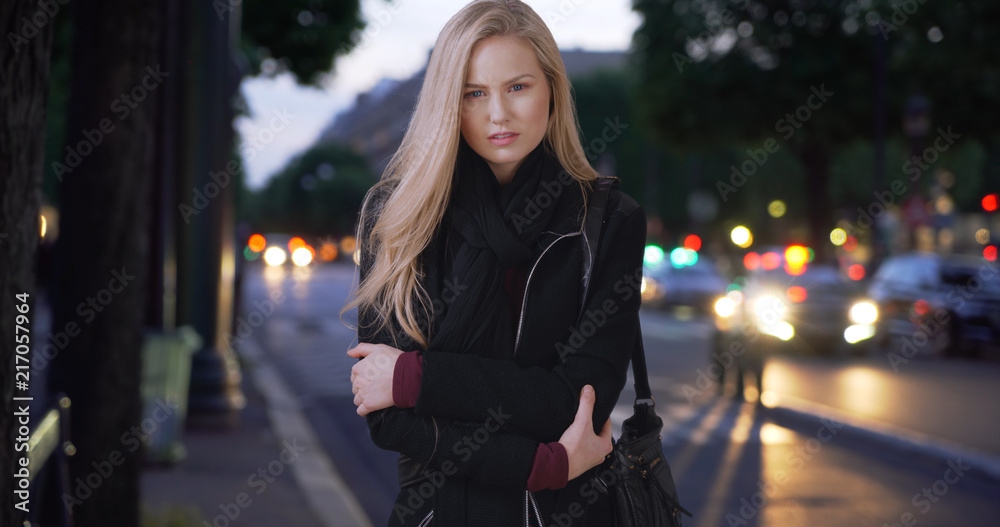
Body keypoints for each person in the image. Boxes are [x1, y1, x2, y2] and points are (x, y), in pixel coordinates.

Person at [342, 1, 647, 525]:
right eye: (474, 93)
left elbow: (576, 404)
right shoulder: (396, 215)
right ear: (447, 103)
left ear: (551, 89)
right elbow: (387, 419)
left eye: (518, 87)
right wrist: (542, 463)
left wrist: (417, 378)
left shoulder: (609, 220)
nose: (498, 114)